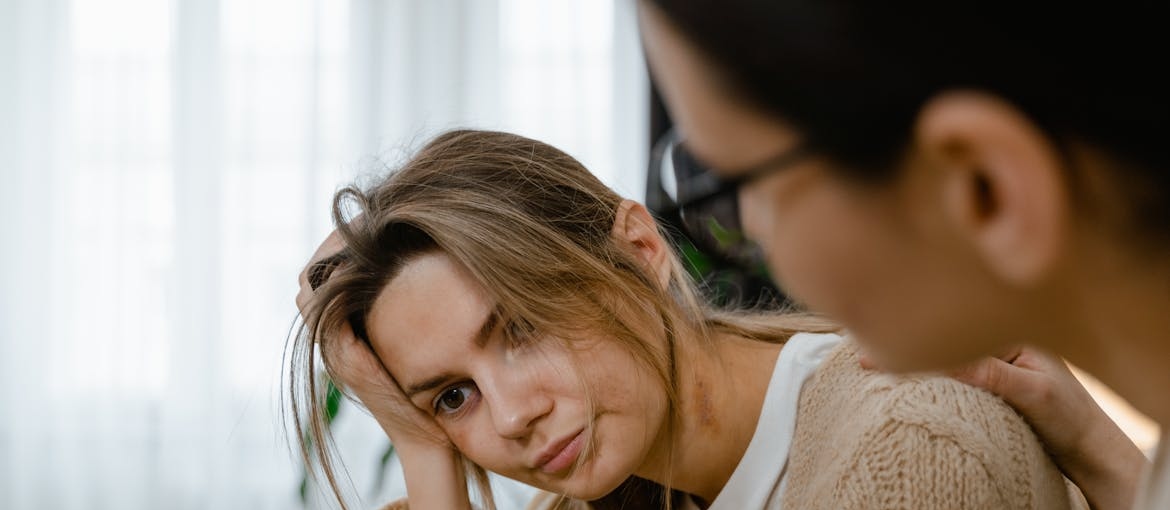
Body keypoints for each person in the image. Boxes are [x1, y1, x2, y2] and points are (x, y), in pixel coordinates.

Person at [292, 129, 1083, 510]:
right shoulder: (587, 499)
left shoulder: (904, 452)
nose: (514, 415)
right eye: (452, 397)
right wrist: (424, 452)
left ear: (639, 250)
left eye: (524, 326)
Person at [636, 1, 1165, 509]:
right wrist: (1100, 452)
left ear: (985, 186)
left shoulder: (912, 445)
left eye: (742, 184)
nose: (748, 227)